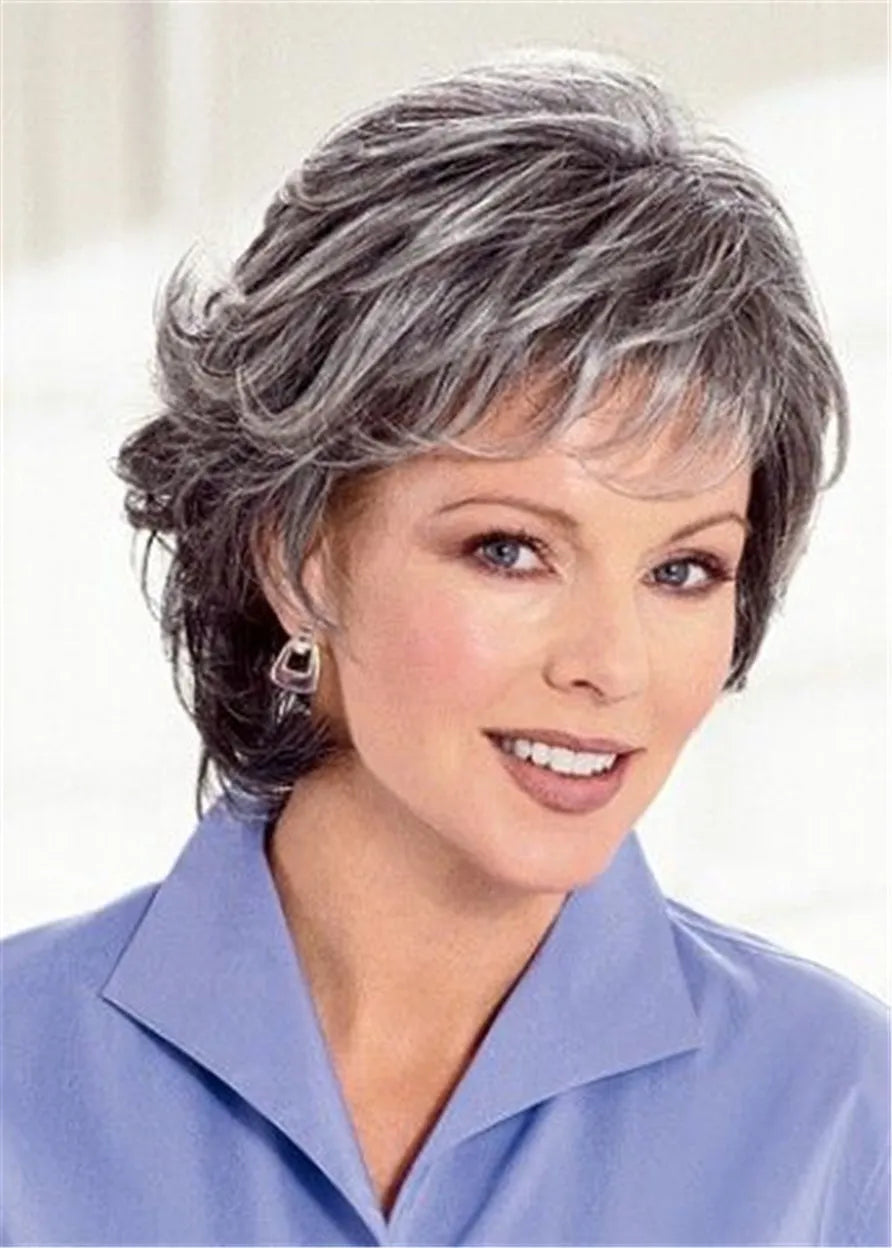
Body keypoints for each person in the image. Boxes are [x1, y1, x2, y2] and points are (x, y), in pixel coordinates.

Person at [2, 49, 888, 1248]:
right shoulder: (19, 1080)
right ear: (300, 556)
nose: (611, 665)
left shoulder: (836, 1112)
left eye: (682, 571)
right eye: (510, 550)